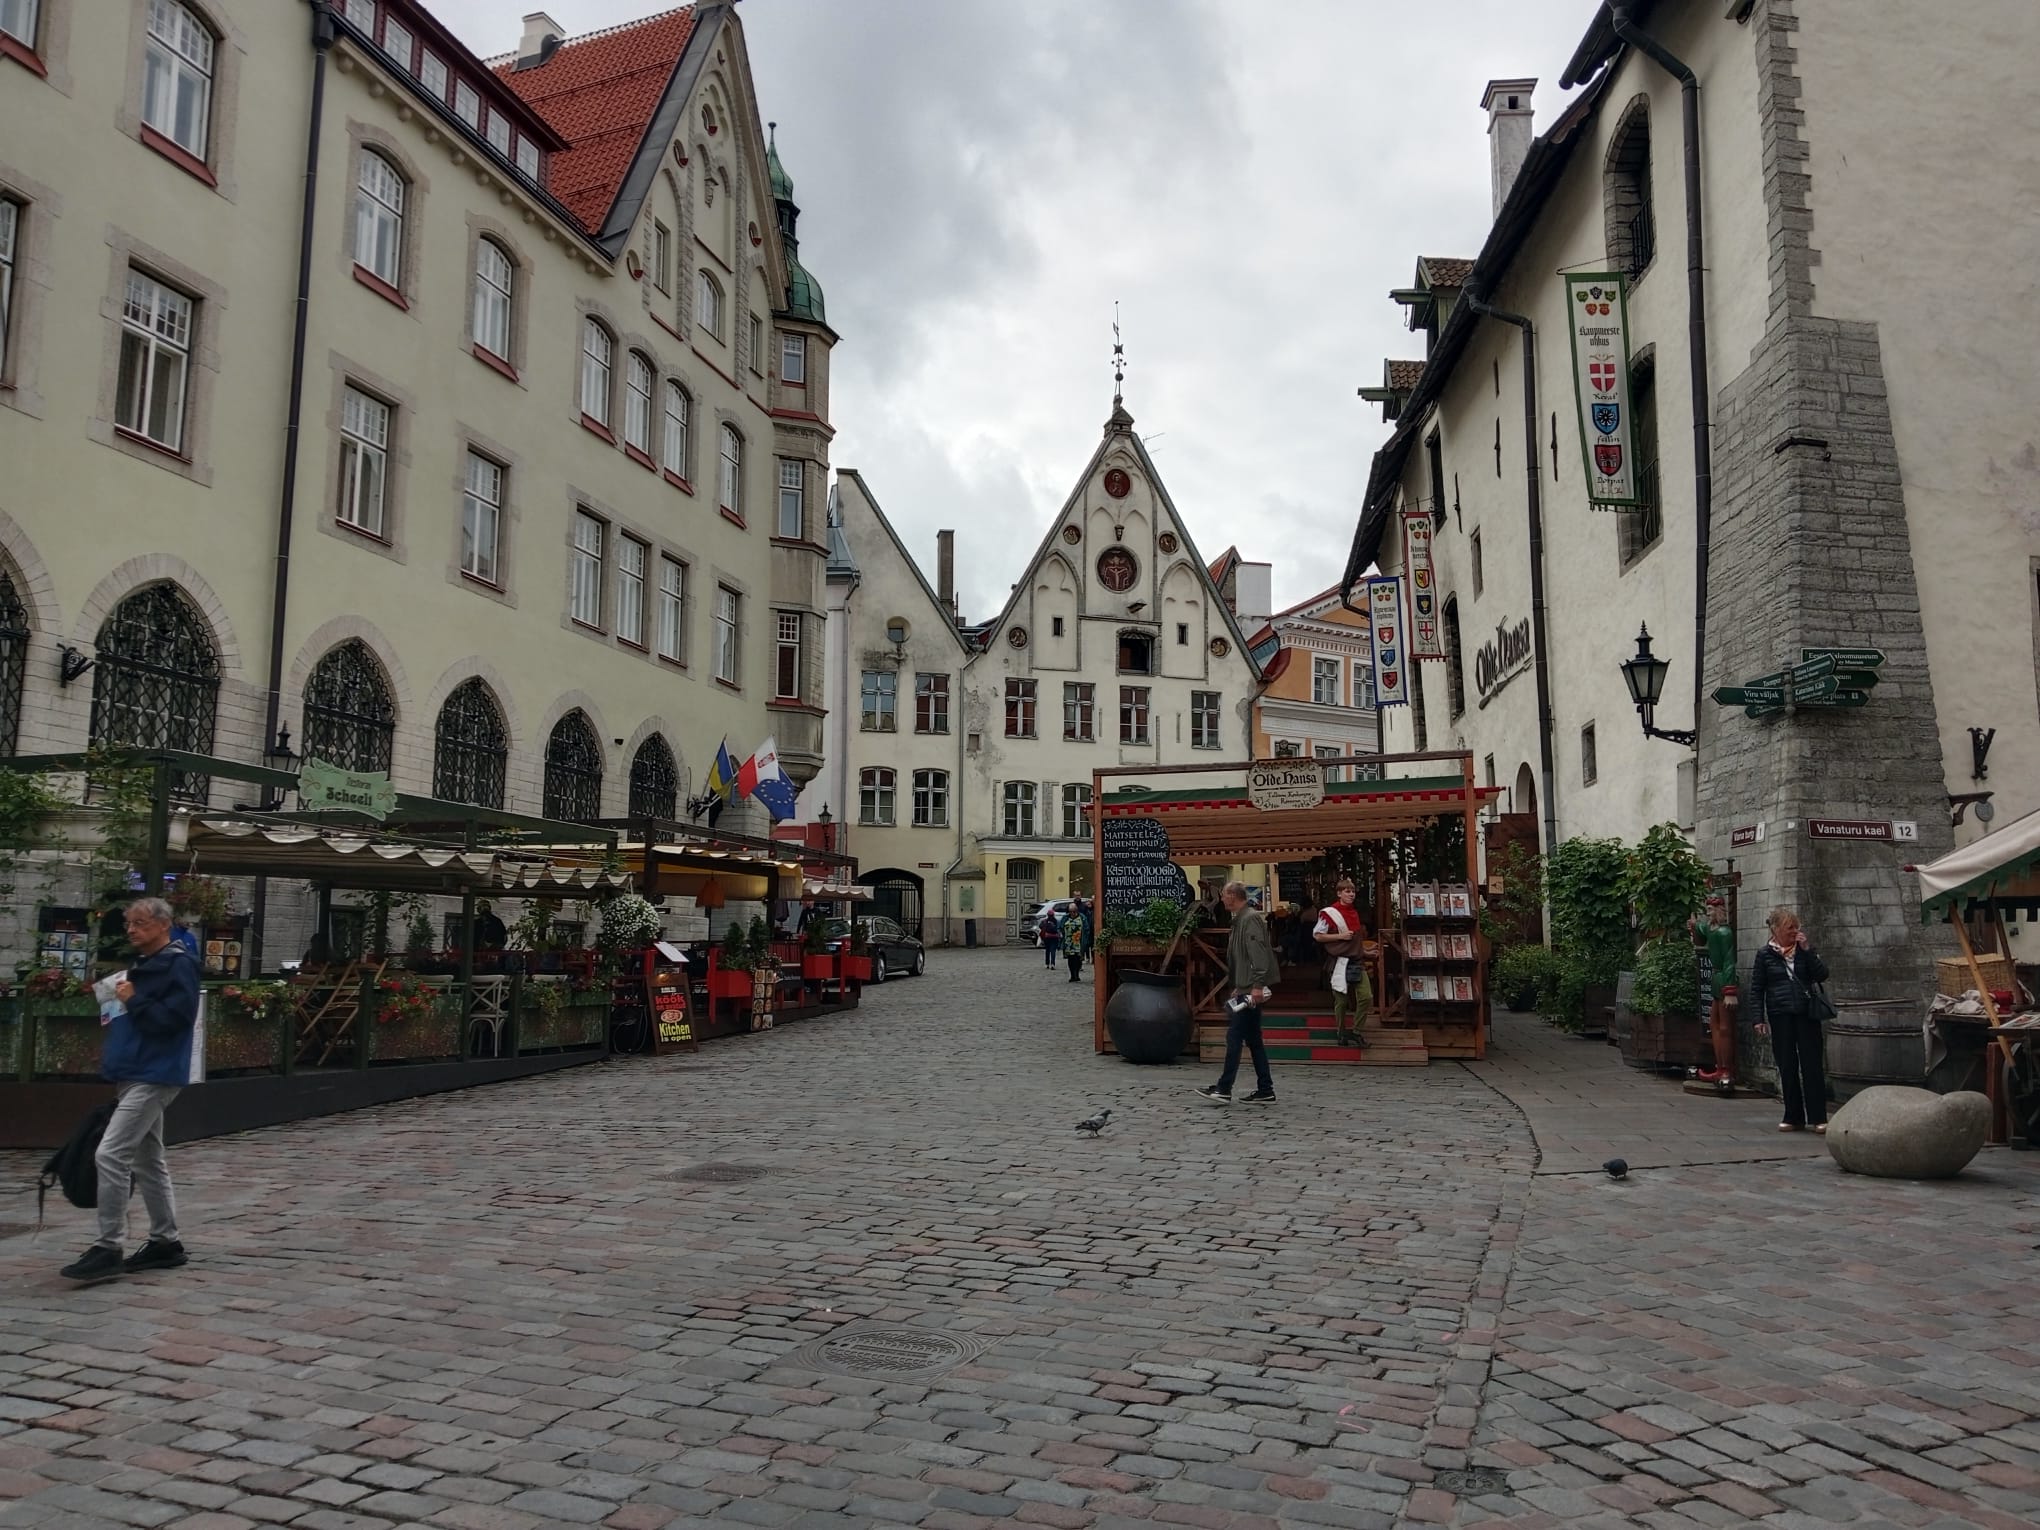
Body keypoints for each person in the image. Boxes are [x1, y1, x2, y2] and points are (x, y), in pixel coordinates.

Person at [61, 897, 199, 1283]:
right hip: (136, 1068)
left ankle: (108, 1246)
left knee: (111, 1153)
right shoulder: (147, 965)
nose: (131, 930)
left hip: (155, 1072)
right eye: (129, 924)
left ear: (162, 925)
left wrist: (133, 1000)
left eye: (139, 923)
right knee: (147, 1159)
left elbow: (176, 1020)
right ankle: (165, 1241)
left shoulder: (178, 965)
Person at [1747, 907, 1831, 1134]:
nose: (1794, 931)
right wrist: (1758, 1018)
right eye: (1789, 927)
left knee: (1812, 1065)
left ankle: (1818, 1116)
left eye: (1796, 926)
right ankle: (1793, 1116)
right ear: (1775, 929)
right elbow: (1757, 988)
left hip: (1806, 1014)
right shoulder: (1765, 954)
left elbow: (1822, 974)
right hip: (1780, 1013)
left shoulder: (1804, 951)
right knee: (1787, 1065)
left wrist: (1808, 950)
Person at [1197, 881, 1280, 1105]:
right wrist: (1241, 984)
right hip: (1245, 987)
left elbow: (1258, 954)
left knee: (1234, 1036)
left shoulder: (1249, 918)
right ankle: (1265, 1089)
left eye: (1223, 895)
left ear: (1233, 896)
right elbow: (1243, 957)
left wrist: (1255, 985)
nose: (1221, 899)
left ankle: (1224, 1088)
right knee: (1253, 1040)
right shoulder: (1241, 919)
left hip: (1251, 989)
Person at [1313, 877, 1371, 1050]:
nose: (1351, 894)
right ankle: (1341, 1033)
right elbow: (1318, 935)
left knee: (1366, 997)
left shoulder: (1354, 913)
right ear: (1339, 893)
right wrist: (1340, 936)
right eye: (1347, 891)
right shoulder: (1330, 913)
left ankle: (1357, 1031)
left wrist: (1366, 952)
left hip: (1356, 961)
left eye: (1352, 891)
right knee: (1341, 1001)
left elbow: (1354, 941)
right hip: (1339, 962)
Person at [1690, 896, 1738, 1083]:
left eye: (1711, 909)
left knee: (1724, 1026)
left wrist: (1730, 991)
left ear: (1720, 910)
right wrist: (1694, 925)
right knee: (1714, 1024)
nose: (1708, 912)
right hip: (1716, 977)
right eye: (1707, 909)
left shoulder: (1725, 932)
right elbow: (1699, 931)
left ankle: (1726, 1068)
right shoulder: (1711, 929)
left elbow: (1729, 961)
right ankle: (1720, 1066)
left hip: (1723, 977)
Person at [1062, 898, 1092, 983]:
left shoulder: (1082, 917)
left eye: (1074, 911)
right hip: (1069, 942)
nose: (1072, 913)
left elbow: (1086, 929)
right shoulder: (1065, 918)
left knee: (1078, 958)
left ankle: (1077, 974)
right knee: (1071, 959)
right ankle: (1072, 975)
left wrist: (1086, 939)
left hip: (1079, 942)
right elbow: (1060, 927)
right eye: (1070, 911)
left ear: (1077, 911)